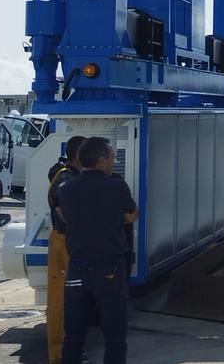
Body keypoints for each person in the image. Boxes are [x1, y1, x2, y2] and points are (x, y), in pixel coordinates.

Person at [56, 136, 138, 364]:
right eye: (112, 156)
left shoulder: (67, 188)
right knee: (114, 334)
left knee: (74, 334)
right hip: (109, 266)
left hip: (77, 267)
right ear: (101, 161)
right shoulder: (116, 186)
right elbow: (132, 214)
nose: (114, 161)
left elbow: (62, 216)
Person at [46, 134, 86, 364]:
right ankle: (59, 354)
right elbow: (62, 208)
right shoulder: (66, 178)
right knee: (61, 301)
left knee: (72, 300)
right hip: (64, 242)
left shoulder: (68, 175)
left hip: (68, 242)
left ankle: (68, 350)